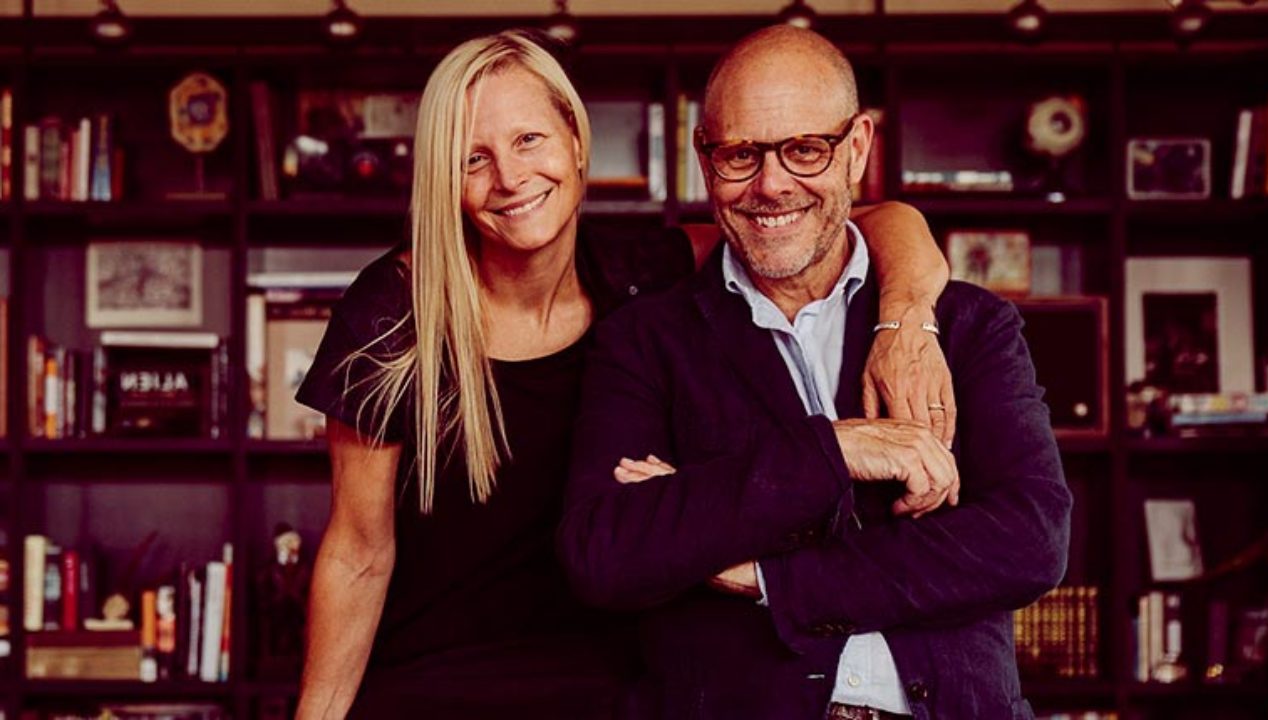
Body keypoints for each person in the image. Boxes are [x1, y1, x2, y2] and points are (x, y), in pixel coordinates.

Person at [293, 29, 954, 720]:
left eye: (529, 140)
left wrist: (906, 321)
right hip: (433, 692)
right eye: (473, 158)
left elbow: (876, 221)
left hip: (621, 695)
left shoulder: (639, 276)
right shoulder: (396, 310)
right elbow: (357, 555)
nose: (509, 178)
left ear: (577, 143)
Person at [558, 25, 1072, 720]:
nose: (771, 186)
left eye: (805, 149)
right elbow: (606, 553)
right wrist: (835, 450)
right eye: (740, 154)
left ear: (857, 148)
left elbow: (1029, 542)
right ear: (705, 159)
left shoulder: (964, 326)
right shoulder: (643, 341)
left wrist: (765, 577)